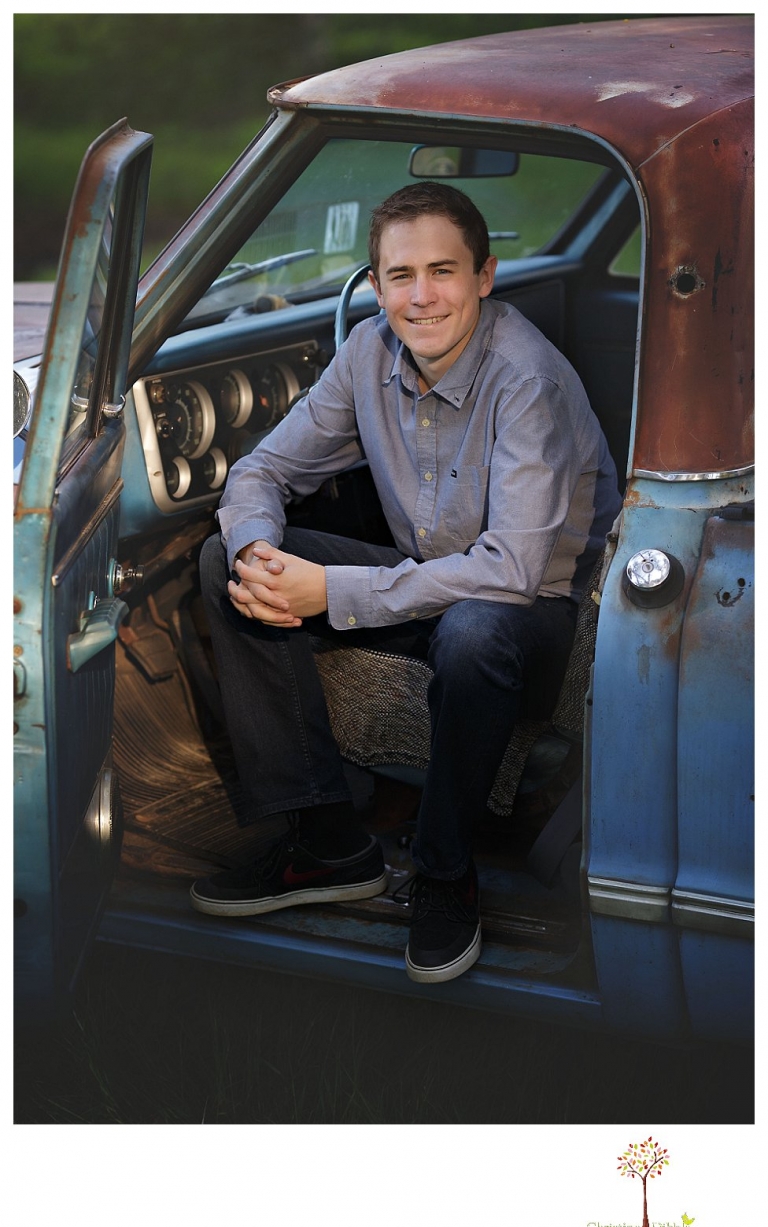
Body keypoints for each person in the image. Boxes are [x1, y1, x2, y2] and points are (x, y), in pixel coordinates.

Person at [191, 181, 621, 984]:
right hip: (426, 580)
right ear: (376, 284)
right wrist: (260, 555)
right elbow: (262, 470)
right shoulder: (367, 353)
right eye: (400, 276)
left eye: (442, 271)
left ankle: (444, 869)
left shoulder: (528, 381)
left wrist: (332, 592)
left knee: (473, 631)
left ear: (484, 276)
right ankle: (327, 842)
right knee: (224, 562)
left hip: (534, 616)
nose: (421, 297)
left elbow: (510, 570)